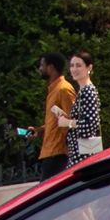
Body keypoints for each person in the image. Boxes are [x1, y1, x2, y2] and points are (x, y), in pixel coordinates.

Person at [33, 51, 76, 180]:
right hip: (50, 152)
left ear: (51, 67)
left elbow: (73, 120)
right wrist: (38, 131)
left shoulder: (63, 89)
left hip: (58, 153)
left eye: (42, 65)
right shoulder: (53, 90)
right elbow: (54, 123)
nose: (40, 68)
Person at [63, 52, 102, 167]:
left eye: (78, 65)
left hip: (83, 156)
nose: (74, 69)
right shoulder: (83, 91)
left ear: (89, 67)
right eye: (72, 65)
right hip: (80, 153)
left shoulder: (88, 91)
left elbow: (90, 125)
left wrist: (68, 123)